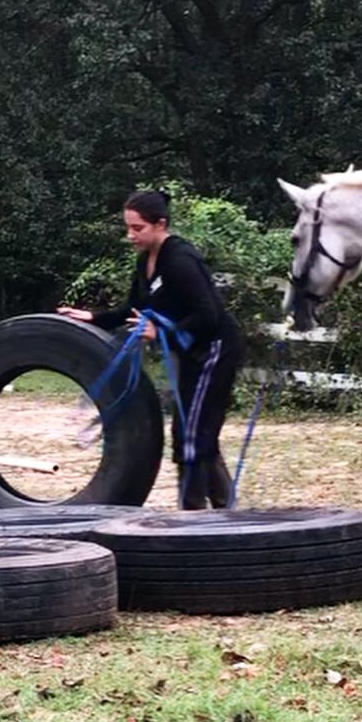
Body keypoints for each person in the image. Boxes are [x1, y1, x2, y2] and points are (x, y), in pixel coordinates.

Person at [59, 189, 242, 509]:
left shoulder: (181, 260)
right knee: (196, 432)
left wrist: (161, 331)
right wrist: (92, 318)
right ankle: (225, 510)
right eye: (127, 228)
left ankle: (194, 517)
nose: (130, 236)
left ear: (160, 224)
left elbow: (208, 316)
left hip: (215, 351)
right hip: (191, 353)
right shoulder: (146, 261)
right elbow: (134, 310)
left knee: (190, 434)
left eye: (137, 228)